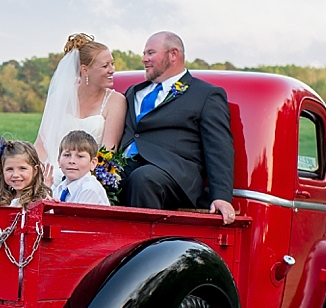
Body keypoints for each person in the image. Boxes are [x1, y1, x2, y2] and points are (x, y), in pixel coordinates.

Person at [117, 32, 236, 224]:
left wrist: (221, 196)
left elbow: (219, 147)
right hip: (128, 166)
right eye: (144, 53)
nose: (144, 59)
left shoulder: (205, 94)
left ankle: (143, 249)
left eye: (150, 53)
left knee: (144, 178)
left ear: (173, 54)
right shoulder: (134, 92)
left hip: (174, 173)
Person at [35, 33, 127, 169]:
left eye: (112, 64)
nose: (112, 70)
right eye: (105, 66)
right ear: (85, 70)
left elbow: (109, 151)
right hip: (53, 168)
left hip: (89, 172)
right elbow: (41, 145)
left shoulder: (116, 101)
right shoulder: (59, 97)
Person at [52, 130, 110, 206]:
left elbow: (75, 217)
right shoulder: (61, 187)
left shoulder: (89, 189)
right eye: (67, 155)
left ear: (93, 163)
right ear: (59, 160)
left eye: (80, 156)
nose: (72, 161)